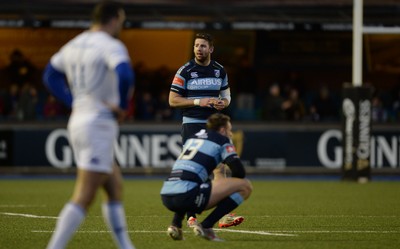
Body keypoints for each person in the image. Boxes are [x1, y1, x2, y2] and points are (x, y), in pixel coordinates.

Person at [42, 1, 135, 249]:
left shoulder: (75, 43)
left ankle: (126, 246)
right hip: (99, 123)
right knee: (84, 195)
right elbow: (125, 74)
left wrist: (72, 100)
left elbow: (49, 74)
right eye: (122, 21)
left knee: (114, 186)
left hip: (80, 120)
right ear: (114, 18)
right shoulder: (111, 45)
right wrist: (123, 105)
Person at [169, 32, 243, 228]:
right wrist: (197, 101)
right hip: (192, 123)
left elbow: (227, 96)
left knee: (220, 167)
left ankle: (224, 215)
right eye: (196, 46)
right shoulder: (185, 71)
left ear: (211, 49)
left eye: (202, 46)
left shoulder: (219, 71)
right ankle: (190, 215)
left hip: (212, 124)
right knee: (196, 169)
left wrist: (223, 102)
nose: (198, 49)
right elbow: (172, 100)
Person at [160, 113, 252, 241]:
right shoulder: (222, 140)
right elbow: (239, 172)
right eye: (229, 130)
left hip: (166, 194)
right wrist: (226, 193)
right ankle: (206, 226)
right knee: (245, 186)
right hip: (186, 196)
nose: (231, 134)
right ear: (222, 130)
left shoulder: (193, 138)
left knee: (191, 182)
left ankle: (175, 224)